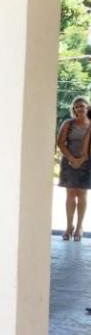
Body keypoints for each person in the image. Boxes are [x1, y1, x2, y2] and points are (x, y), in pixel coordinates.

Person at [56, 96, 91, 241]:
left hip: (87, 163)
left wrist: (82, 159)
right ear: (74, 109)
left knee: (82, 195)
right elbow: (61, 143)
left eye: (82, 106)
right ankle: (69, 226)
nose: (79, 109)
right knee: (70, 195)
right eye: (77, 107)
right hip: (69, 163)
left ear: (87, 108)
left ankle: (79, 227)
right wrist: (72, 159)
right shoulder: (68, 124)